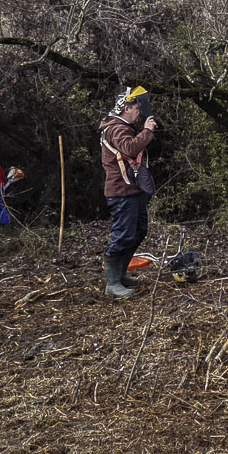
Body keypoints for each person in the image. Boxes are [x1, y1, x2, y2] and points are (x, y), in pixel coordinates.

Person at [98, 86, 158, 298]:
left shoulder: (121, 127)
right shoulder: (116, 128)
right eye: (136, 108)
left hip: (132, 191)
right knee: (122, 235)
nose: (139, 113)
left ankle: (121, 275)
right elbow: (130, 148)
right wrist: (147, 130)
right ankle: (112, 283)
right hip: (121, 192)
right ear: (126, 108)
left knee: (138, 231)